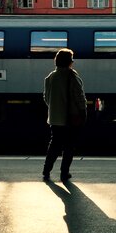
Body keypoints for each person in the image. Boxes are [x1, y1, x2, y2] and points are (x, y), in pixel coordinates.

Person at [42, 48, 87, 182]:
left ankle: (46, 170)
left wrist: (55, 108)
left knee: (54, 145)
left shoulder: (50, 77)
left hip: (55, 118)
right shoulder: (72, 77)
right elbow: (79, 97)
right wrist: (83, 111)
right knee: (69, 146)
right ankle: (64, 173)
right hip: (70, 118)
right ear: (70, 62)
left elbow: (46, 97)